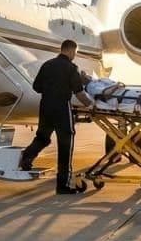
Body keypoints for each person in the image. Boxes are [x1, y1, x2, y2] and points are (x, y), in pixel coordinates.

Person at [20, 39, 95, 194]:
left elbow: (36, 87)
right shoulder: (71, 68)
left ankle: (27, 156)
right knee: (65, 143)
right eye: (75, 52)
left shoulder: (47, 65)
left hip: (45, 106)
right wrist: (91, 105)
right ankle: (62, 185)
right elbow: (79, 93)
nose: (75, 55)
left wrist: (50, 89)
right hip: (61, 107)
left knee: (42, 137)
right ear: (71, 50)